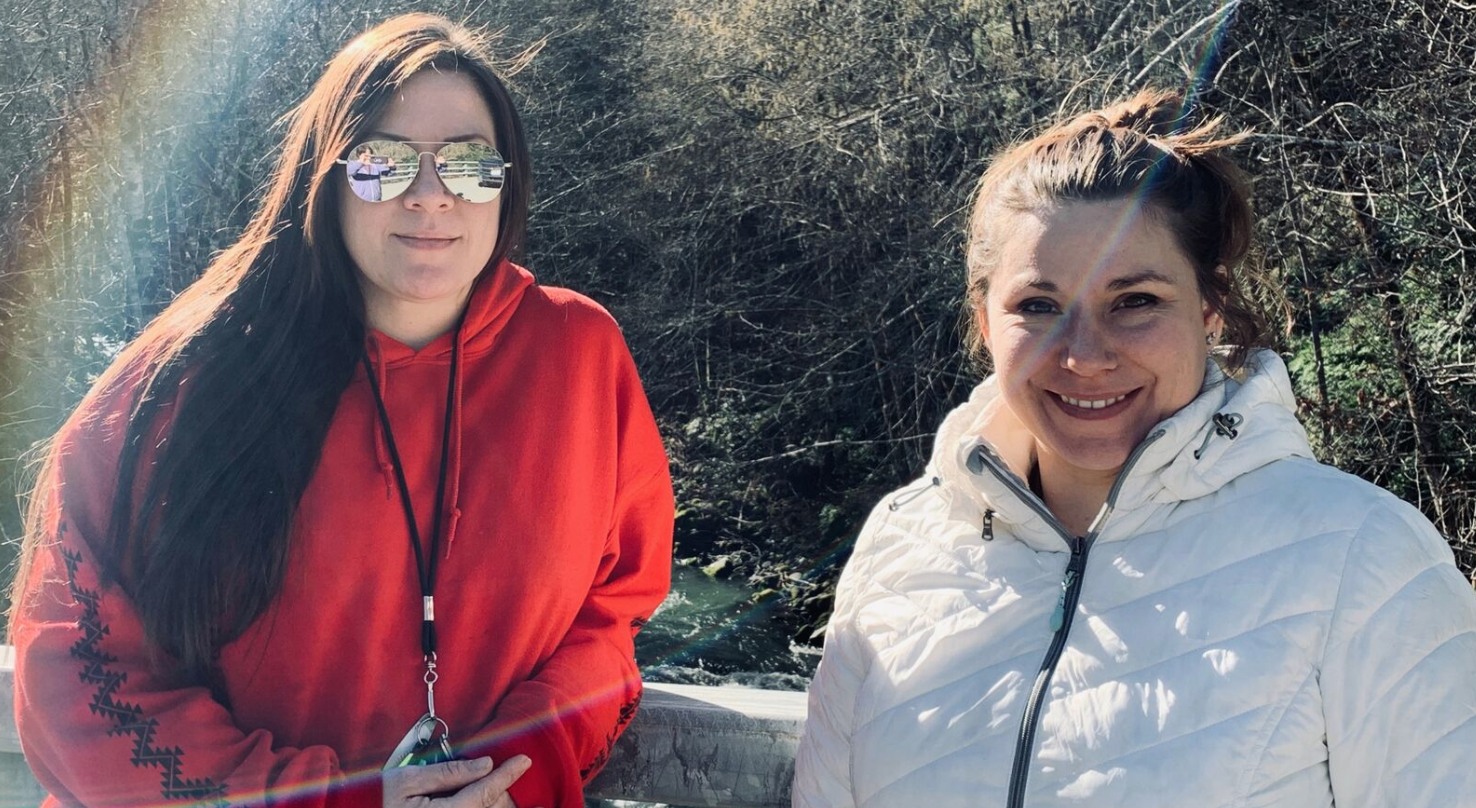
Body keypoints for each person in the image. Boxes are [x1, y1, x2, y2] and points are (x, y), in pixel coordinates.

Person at [9, 14, 673, 808]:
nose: (430, 197)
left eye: (468, 165)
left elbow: (617, 611)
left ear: (507, 182)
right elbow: (74, 671)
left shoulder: (580, 356)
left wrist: (513, 774)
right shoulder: (187, 379)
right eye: (383, 163)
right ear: (326, 178)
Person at [792, 90, 1476, 807]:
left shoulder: (1361, 556)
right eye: (1038, 306)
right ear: (985, 322)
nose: (1085, 356)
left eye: (1136, 301)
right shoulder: (901, 548)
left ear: (1208, 307)